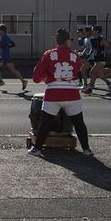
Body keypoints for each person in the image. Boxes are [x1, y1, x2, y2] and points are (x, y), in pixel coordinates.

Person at [29, 28, 92, 156]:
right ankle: (87, 149)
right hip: (72, 94)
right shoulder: (74, 55)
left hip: (53, 93)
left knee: (45, 123)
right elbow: (79, 69)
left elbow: (36, 78)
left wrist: (48, 77)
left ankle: (37, 149)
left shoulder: (49, 54)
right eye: (70, 40)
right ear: (67, 41)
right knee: (79, 123)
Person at [0, 24, 27, 91]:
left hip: (6, 57)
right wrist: (3, 45)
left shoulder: (5, 37)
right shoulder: (2, 37)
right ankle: (1, 82)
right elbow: (8, 45)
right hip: (3, 56)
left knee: (12, 70)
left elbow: (13, 44)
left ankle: (23, 81)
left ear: (2, 30)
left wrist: (1, 44)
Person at [84, 25, 111, 93]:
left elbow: (110, 45)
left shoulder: (102, 39)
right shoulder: (92, 39)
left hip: (101, 60)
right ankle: (109, 83)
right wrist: (87, 55)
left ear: (97, 31)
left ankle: (90, 88)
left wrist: (105, 51)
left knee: (92, 72)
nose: (91, 31)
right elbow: (92, 49)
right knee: (99, 74)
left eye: (93, 30)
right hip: (96, 59)